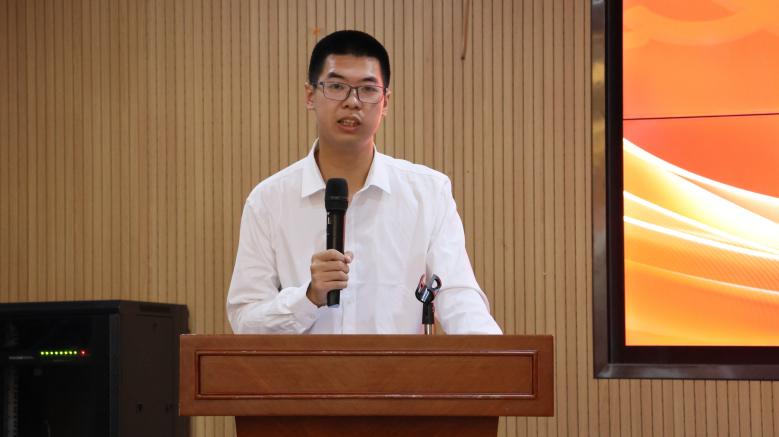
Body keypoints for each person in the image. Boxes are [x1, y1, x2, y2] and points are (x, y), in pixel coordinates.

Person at [227, 30, 501, 335]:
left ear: (385, 102)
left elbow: (460, 300)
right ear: (310, 96)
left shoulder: (429, 193)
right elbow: (245, 321)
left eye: (368, 89)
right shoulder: (268, 201)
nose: (352, 102)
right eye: (336, 86)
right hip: (307, 368)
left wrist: (501, 358)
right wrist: (308, 297)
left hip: (396, 368)